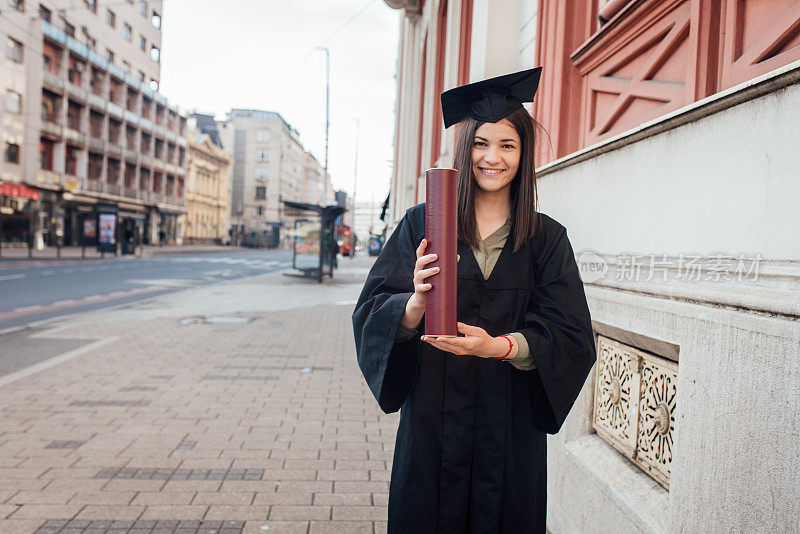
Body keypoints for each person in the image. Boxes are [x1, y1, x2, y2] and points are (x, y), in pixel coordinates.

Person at [352, 68, 596, 533]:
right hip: (432, 422)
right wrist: (415, 305)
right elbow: (370, 311)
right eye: (482, 144)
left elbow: (572, 335)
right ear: (466, 152)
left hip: (508, 432)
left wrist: (499, 347)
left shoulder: (546, 239)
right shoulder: (422, 223)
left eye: (508, 145)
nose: (493, 158)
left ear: (523, 155)